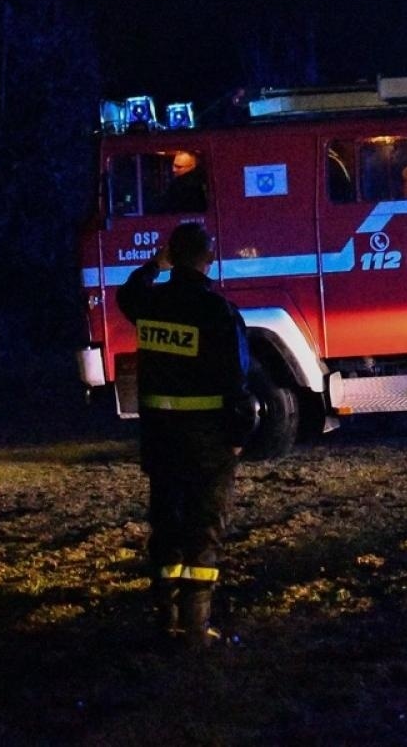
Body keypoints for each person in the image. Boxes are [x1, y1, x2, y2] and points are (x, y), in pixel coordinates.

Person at [117, 222, 254, 649]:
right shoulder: (218, 312)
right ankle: (196, 628)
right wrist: (237, 436)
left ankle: (165, 619)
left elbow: (126, 293)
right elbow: (237, 379)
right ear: (207, 258)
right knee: (204, 528)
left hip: (160, 440)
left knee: (166, 526)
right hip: (208, 443)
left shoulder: (150, 304)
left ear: (173, 257)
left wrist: (156, 265)